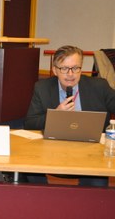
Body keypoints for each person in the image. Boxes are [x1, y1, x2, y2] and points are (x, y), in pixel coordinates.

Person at [24, 45, 115, 187]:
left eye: (75, 68)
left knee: (96, 183)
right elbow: (30, 123)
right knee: (28, 170)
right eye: (64, 68)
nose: (70, 74)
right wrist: (56, 115)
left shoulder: (99, 86)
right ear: (55, 70)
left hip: (92, 154)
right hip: (53, 152)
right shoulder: (42, 88)